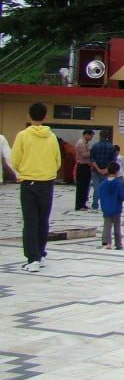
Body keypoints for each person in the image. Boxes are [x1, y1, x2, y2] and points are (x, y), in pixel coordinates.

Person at [11, 102, 61, 273]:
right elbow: (57, 161)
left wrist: (24, 170)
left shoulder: (23, 136)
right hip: (47, 183)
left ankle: (33, 259)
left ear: (29, 116)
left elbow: (15, 160)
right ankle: (41, 253)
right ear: (45, 116)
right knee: (43, 220)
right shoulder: (51, 137)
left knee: (30, 221)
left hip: (29, 182)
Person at [98, 161, 124, 249]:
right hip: (116, 208)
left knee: (107, 226)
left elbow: (100, 196)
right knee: (117, 226)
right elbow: (123, 196)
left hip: (106, 208)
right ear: (117, 171)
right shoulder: (119, 183)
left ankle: (107, 242)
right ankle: (118, 243)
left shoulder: (102, 184)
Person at [89, 130, 117, 211]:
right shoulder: (112, 147)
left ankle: (95, 205)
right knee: (107, 189)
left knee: (97, 189)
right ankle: (106, 205)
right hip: (107, 172)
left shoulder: (95, 146)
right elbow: (113, 160)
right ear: (107, 137)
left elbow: (92, 159)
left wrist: (98, 169)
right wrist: (106, 169)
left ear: (100, 136)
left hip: (96, 171)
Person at [74, 129, 94, 210]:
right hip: (82, 166)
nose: (91, 138)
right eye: (91, 136)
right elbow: (84, 155)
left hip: (86, 166)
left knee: (86, 186)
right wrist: (92, 151)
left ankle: (83, 203)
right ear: (86, 135)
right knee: (81, 187)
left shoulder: (86, 143)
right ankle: (79, 205)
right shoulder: (81, 143)